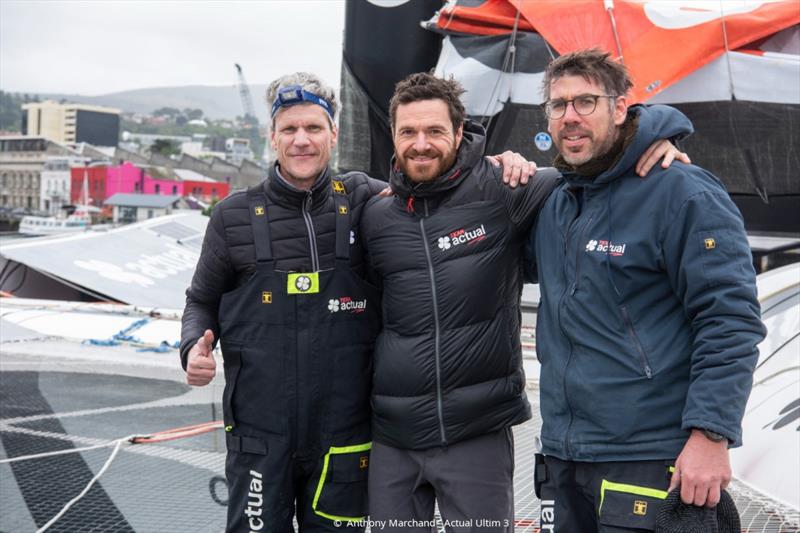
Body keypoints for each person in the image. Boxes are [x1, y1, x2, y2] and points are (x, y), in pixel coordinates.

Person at [180, 71, 537, 533]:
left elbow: (431, 184)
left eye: (313, 128)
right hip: (259, 439)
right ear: (272, 137)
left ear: (333, 134)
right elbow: (199, 302)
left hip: (344, 440)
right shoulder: (233, 217)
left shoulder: (367, 200)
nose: (301, 141)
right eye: (289, 129)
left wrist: (497, 164)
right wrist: (193, 347)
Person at [361, 72, 686, 532]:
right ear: (392, 136)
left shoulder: (506, 188)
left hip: (475, 435)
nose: (421, 144)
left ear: (459, 133)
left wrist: (660, 134)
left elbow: (594, 158)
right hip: (392, 438)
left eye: (434, 131)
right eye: (408, 132)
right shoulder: (376, 214)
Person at [527, 49, 766, 532]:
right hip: (565, 457)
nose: (570, 117)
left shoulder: (682, 192)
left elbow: (730, 320)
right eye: (558, 105)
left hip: (651, 457)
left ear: (620, 108)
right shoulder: (555, 201)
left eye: (586, 102)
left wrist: (710, 435)